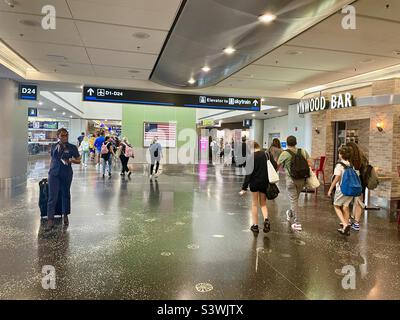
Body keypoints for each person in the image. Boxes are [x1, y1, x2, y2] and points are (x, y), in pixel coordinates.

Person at [47, 128, 81, 230]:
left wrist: (71, 160)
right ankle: (50, 219)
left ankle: (65, 214)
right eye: (62, 135)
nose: (65, 137)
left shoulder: (72, 147)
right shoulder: (54, 146)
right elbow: (53, 158)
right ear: (58, 136)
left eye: (66, 135)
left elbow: (79, 160)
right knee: (52, 196)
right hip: (54, 174)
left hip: (66, 173)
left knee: (65, 194)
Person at [239, 141, 277, 233]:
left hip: (254, 183)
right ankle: (266, 220)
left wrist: (244, 188)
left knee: (254, 204)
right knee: (263, 204)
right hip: (265, 182)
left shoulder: (251, 157)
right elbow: (275, 166)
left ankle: (255, 226)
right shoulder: (267, 154)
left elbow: (248, 174)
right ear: (258, 146)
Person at [277, 136, 312, 231]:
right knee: (295, 200)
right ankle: (290, 213)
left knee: (294, 200)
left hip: (291, 180)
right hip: (301, 180)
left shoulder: (284, 153)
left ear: (287, 143)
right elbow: (310, 163)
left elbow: (277, 165)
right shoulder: (303, 151)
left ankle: (297, 223)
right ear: (296, 142)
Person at [327, 146, 354, 236]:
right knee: (345, 207)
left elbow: (336, 178)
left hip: (342, 189)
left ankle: (345, 224)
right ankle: (345, 228)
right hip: (351, 189)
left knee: (336, 205)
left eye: (339, 153)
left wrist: (330, 189)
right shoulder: (350, 164)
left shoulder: (340, 165)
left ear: (341, 155)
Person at [346, 142, 369, 231]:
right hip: (360, 182)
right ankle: (356, 223)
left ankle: (347, 220)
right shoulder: (362, 158)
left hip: (350, 181)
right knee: (359, 202)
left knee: (346, 201)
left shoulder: (348, 159)